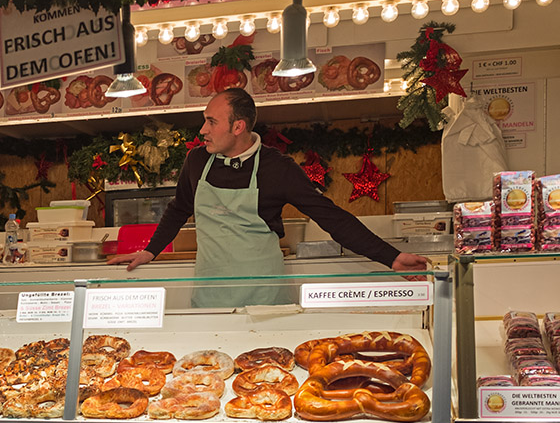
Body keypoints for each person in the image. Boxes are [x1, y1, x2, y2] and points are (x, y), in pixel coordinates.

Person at [108, 88, 429, 307]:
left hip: (266, 301)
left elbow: (331, 217)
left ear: (238, 127)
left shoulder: (278, 169)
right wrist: (150, 251)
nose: (202, 130)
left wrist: (391, 257)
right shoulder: (197, 161)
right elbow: (179, 209)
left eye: (211, 121)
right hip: (211, 297)